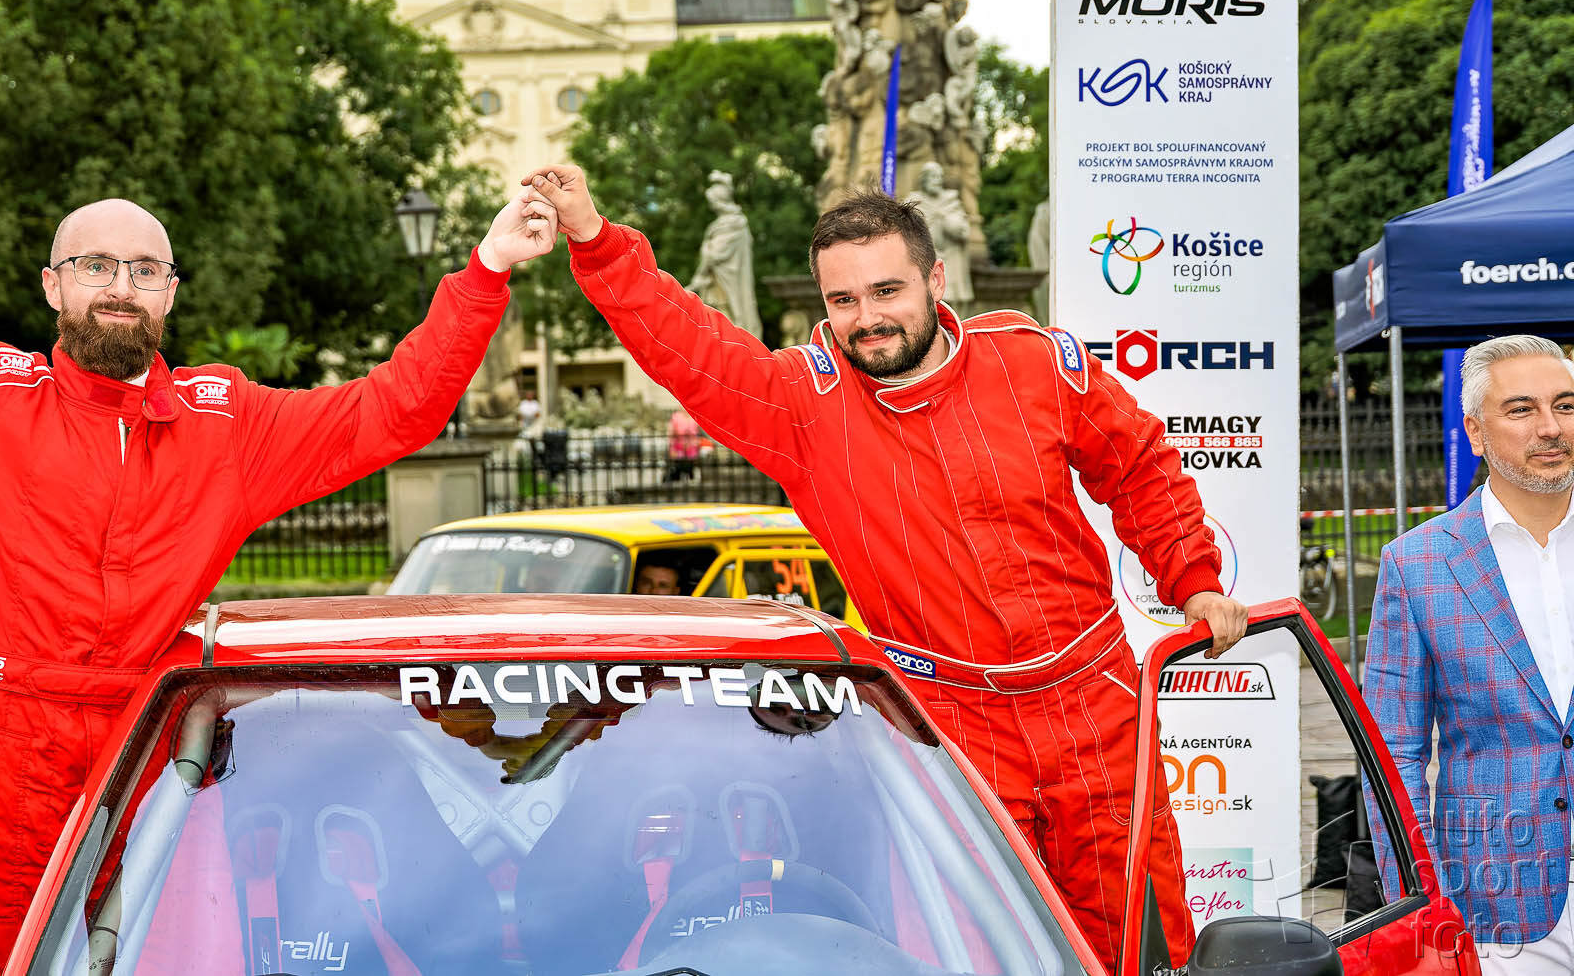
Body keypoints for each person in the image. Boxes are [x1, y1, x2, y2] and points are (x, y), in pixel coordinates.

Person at [0, 26, 556, 976]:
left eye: (143, 270)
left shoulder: (227, 422)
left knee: (171, 954)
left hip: (158, 745)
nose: (119, 288)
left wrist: (485, 270)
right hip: (6, 752)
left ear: (169, 295)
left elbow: (394, 409)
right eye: (95, 266)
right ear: (53, 286)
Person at [523, 166, 1245, 969]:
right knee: (970, 955)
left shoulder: (1034, 361)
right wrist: (596, 240)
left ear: (937, 279)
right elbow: (690, 346)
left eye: (887, 290)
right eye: (843, 299)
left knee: (1143, 945)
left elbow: (1138, 463)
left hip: (1094, 703)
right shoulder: (802, 404)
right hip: (946, 723)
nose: (866, 318)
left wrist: (1193, 578)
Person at [1366, 335, 1574, 971]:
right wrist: (1422, 907)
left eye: (1566, 405)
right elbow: (1393, 756)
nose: (1550, 427)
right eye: (1521, 409)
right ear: (1476, 433)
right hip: (1499, 900)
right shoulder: (1418, 564)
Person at [664, 406, 701, 482]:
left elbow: (696, 431)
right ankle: (678, 479)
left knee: (690, 465)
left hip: (691, 446)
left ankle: (690, 478)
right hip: (678, 445)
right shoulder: (676, 417)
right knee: (678, 464)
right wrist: (671, 445)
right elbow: (671, 432)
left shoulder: (694, 417)